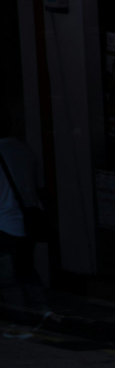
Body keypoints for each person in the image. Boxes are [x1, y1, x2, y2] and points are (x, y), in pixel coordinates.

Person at [0, 108, 46, 307]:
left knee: (8, 278)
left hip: (3, 223)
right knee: (26, 270)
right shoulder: (24, 151)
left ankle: (22, 319)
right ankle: (41, 311)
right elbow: (39, 187)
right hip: (26, 221)